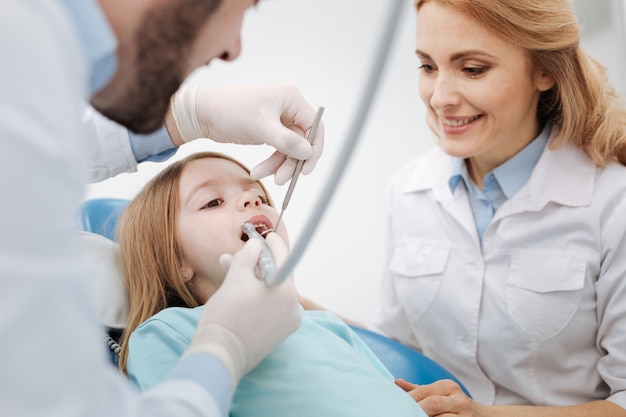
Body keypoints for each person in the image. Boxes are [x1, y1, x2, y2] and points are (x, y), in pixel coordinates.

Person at [2, 1, 324, 417]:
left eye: (258, 195)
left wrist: (188, 117)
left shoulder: (30, 83)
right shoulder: (165, 338)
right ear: (174, 259)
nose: (233, 49)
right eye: (245, 5)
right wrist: (223, 350)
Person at [372, 0, 626, 416]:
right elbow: (397, 353)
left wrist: (483, 415)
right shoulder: (408, 191)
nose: (439, 98)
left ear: (544, 70)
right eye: (428, 67)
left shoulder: (613, 204)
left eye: (472, 69)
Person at [115, 151, 426, 417]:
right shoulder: (167, 330)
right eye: (213, 202)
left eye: (259, 196)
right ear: (175, 260)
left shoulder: (327, 325)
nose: (252, 199)